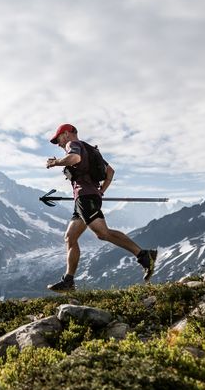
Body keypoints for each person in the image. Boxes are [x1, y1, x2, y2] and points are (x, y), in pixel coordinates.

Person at [44, 123, 156, 291]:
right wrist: (101, 191)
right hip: (87, 197)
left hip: (85, 197)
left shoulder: (72, 145)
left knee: (103, 233)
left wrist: (56, 162)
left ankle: (143, 255)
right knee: (70, 237)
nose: (58, 144)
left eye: (58, 139)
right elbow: (110, 171)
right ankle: (68, 281)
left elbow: (74, 159)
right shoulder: (90, 148)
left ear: (66, 134)